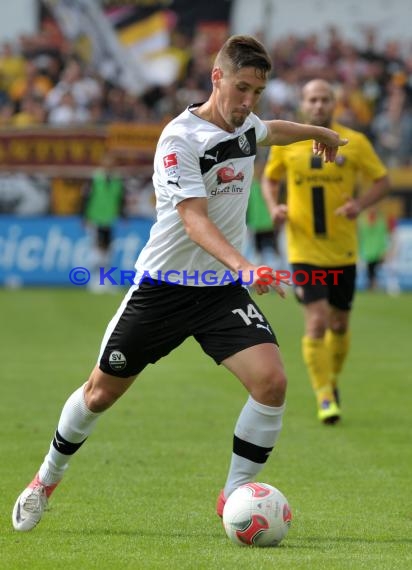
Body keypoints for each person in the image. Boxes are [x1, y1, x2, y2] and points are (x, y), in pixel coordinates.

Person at [12, 36, 347, 532]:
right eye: (241, 88)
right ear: (216, 78)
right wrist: (246, 266)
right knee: (100, 393)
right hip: (164, 288)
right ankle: (45, 479)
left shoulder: (246, 124)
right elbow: (194, 220)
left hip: (219, 293)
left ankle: (234, 495)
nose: (248, 102)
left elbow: (271, 131)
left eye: (257, 91)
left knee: (272, 382)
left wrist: (321, 130)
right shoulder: (179, 140)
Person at [261, 79, 390, 425]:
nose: (318, 105)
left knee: (339, 324)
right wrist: (275, 207)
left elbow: (383, 181)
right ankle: (324, 396)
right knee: (316, 322)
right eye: (312, 99)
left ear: (335, 103)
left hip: (343, 251)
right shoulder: (287, 143)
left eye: (325, 99)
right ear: (303, 104)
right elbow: (269, 180)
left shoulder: (356, 142)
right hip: (303, 248)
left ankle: (329, 381)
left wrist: (359, 205)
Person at [82, 153, 125, 293]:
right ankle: (95, 281)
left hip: (110, 219)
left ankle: (105, 280)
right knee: (98, 249)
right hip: (96, 218)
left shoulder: (117, 180)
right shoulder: (95, 178)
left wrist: (122, 215)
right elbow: (86, 198)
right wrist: (85, 216)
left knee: (108, 250)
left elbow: (119, 199)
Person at [358, 205, 390, 290]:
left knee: (373, 270)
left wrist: (384, 250)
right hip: (366, 250)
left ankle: (373, 286)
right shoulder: (362, 220)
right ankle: (371, 286)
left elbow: (383, 237)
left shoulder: (381, 221)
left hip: (377, 250)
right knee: (370, 270)